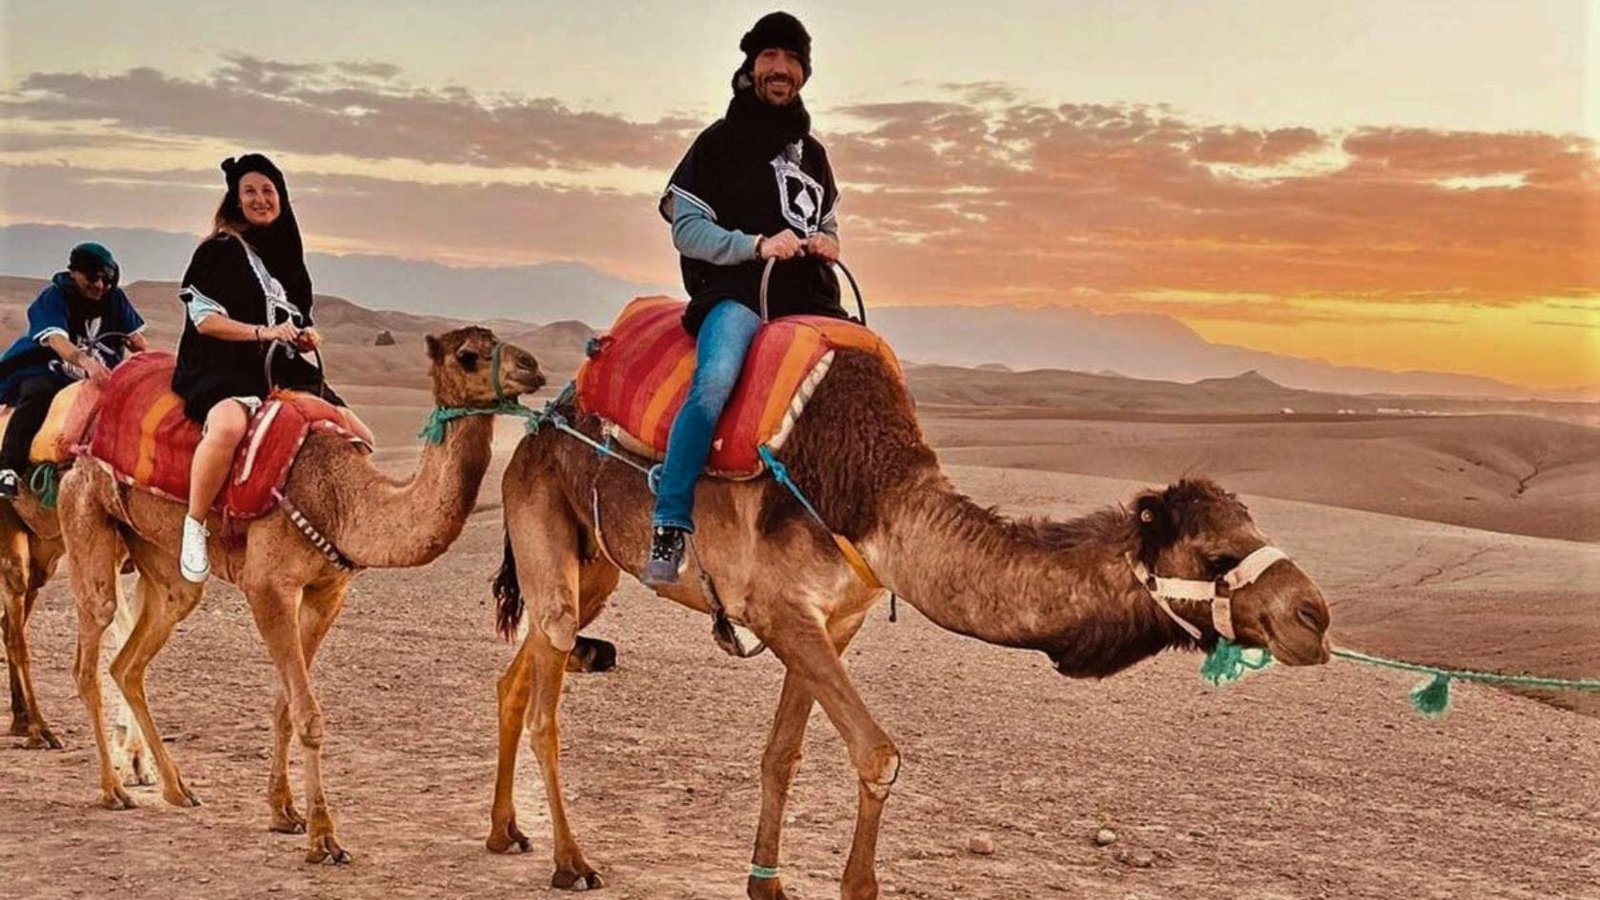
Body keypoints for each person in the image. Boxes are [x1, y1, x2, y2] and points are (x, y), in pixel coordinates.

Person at [645, 11, 848, 585]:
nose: (781, 69)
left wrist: (828, 243)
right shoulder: (717, 144)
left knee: (863, 376)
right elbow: (686, 228)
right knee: (713, 383)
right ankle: (670, 518)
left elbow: (827, 223)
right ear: (751, 68)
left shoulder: (815, 156)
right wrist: (754, 245)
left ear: (803, 73)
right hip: (737, 294)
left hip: (808, 301)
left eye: (791, 60)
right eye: (769, 58)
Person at [173, 153, 374, 583]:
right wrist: (262, 333)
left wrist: (303, 336)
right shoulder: (218, 252)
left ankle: (332, 527)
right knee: (226, 426)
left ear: (281, 198)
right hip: (220, 364)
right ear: (236, 199)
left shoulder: (290, 260)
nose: (261, 199)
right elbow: (204, 320)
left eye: (269, 191)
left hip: (281, 367)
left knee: (360, 434)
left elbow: (295, 318)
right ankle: (194, 525)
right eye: (251, 191)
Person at [0, 242, 149, 499]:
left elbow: (137, 338)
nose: (100, 285)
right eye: (92, 277)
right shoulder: (54, 297)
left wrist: (141, 349)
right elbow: (56, 340)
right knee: (38, 391)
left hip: (103, 376)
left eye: (106, 279)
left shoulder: (115, 299)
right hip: (51, 368)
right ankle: (8, 468)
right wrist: (87, 363)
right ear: (74, 272)